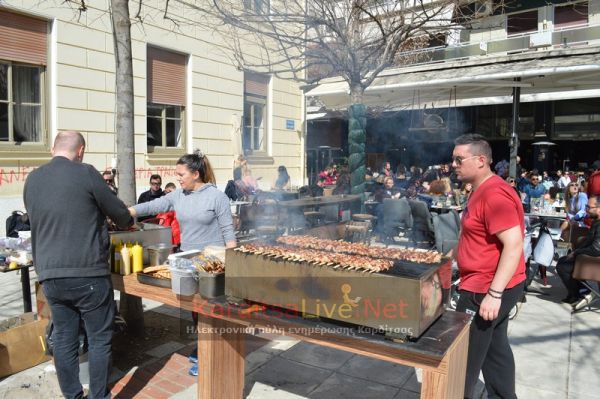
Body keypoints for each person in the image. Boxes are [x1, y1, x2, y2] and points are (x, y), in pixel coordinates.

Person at [23, 131, 133, 399]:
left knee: (63, 337)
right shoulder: (86, 173)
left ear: (52, 149)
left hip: (50, 276)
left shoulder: (33, 178)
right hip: (88, 273)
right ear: (81, 150)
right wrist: (126, 220)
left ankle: (73, 395)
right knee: (98, 338)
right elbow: (120, 215)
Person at [128, 150, 236, 376]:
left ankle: (211, 354)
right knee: (195, 309)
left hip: (212, 262)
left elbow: (228, 232)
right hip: (187, 260)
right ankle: (203, 346)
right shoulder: (178, 195)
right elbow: (156, 205)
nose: (177, 178)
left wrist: (233, 263)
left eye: (181, 174)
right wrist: (130, 210)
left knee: (210, 309)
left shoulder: (217, 197)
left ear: (195, 174)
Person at [451, 134, 525, 399]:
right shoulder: (479, 190)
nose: (454, 165)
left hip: (485, 288)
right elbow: (476, 237)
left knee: (463, 360)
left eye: (459, 159)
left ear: (481, 160)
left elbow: (514, 244)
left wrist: (494, 295)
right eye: (453, 159)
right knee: (495, 350)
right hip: (488, 283)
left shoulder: (494, 194)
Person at [555, 194, 600, 305]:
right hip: (588, 258)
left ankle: (583, 293)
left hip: (594, 262)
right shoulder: (596, 222)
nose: (586, 210)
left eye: (589, 207)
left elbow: (596, 248)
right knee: (563, 262)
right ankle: (579, 293)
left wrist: (576, 253)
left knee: (563, 266)